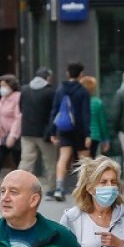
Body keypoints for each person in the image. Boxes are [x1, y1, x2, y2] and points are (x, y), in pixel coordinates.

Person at [49, 62, 92, 201]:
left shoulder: (60, 90)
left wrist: (53, 131)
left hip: (64, 128)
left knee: (63, 158)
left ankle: (59, 188)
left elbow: (54, 111)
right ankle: (85, 189)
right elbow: (86, 114)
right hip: (79, 130)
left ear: (68, 73)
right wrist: (88, 134)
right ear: (81, 75)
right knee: (84, 160)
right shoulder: (83, 91)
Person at [18, 67, 58, 193]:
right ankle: (51, 188)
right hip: (44, 132)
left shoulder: (24, 89)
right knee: (50, 161)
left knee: (26, 160)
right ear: (47, 77)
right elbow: (54, 112)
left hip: (27, 131)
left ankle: (18, 185)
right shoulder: (50, 91)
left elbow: (20, 108)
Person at [0, 74, 23, 185]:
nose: (2, 88)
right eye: (1, 86)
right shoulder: (3, 99)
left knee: (17, 160)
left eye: (4, 85)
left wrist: (13, 135)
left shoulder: (17, 97)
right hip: (3, 135)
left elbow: (18, 117)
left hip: (14, 136)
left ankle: (20, 183)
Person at [81, 75, 110, 158]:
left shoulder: (77, 102)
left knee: (80, 161)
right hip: (94, 135)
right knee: (91, 159)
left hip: (80, 135)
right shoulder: (97, 102)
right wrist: (105, 139)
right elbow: (102, 123)